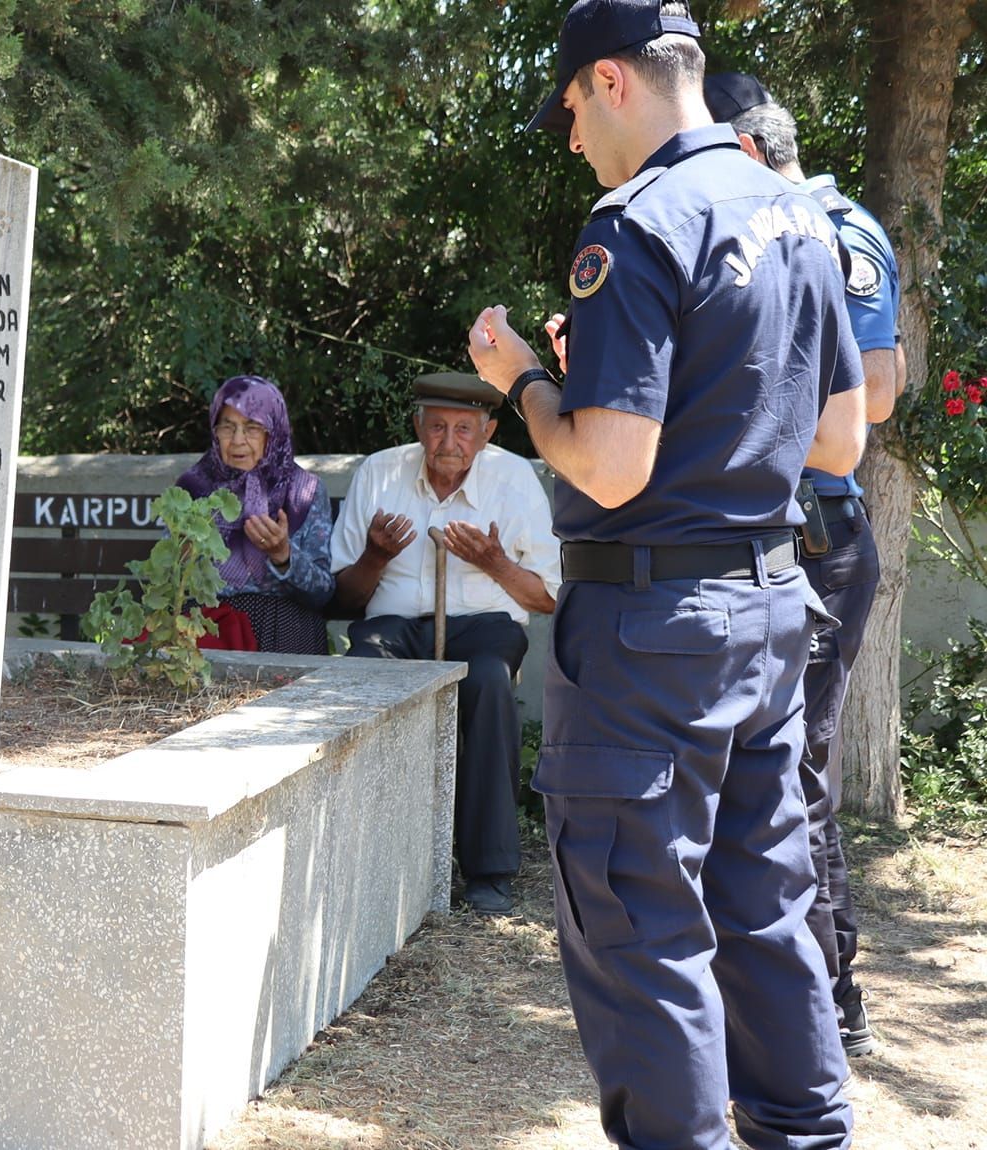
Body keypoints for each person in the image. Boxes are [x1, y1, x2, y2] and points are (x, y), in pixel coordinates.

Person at [469, 1, 867, 1145]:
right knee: (761, 903)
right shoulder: (792, 208)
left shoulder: (633, 224)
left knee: (641, 924)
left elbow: (605, 461)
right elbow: (838, 441)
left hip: (649, 633)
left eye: (567, 114)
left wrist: (518, 385)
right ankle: (802, 1132)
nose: (570, 141)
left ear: (608, 80)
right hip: (768, 608)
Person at [706, 70, 900, 1058]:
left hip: (814, 541)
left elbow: (872, 395)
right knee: (757, 771)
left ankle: (831, 998)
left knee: (797, 771)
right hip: (759, 542)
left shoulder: (826, 230)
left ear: (741, 150)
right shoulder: (778, 227)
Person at [330, 372, 560, 914]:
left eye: (463, 430)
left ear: (487, 432)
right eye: (436, 427)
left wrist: (494, 562)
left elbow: (548, 597)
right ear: (417, 427)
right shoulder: (380, 472)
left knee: (486, 681)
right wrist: (376, 557)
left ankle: (489, 870)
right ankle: (370, 857)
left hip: (485, 625)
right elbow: (342, 600)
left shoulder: (514, 479)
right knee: (366, 678)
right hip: (394, 627)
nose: (449, 443)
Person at [174, 375, 335, 653]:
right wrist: (184, 558)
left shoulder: (303, 490)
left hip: (284, 624)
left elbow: (323, 592)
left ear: (273, 432)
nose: (237, 440)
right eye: (227, 427)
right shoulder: (193, 488)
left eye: (252, 427)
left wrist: (284, 556)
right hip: (207, 625)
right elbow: (168, 579)